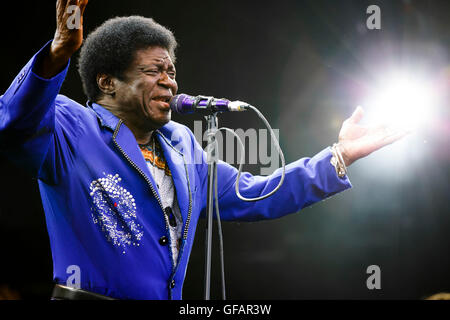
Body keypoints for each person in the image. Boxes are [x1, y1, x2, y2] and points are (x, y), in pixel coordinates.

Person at [0, 0, 407, 300]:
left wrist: (339, 156)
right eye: (154, 71)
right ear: (108, 82)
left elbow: (258, 193)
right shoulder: (72, 126)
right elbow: (14, 122)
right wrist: (58, 53)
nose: (170, 82)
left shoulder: (181, 147)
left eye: (171, 71)